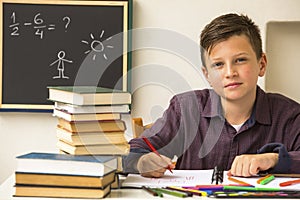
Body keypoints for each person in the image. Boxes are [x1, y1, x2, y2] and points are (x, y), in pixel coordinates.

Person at [123, 13, 300, 178]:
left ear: (262, 64)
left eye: (240, 60)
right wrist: (141, 161)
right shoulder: (186, 109)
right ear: (207, 74)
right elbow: (130, 152)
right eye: (218, 65)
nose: (230, 72)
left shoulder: (289, 115)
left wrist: (274, 159)